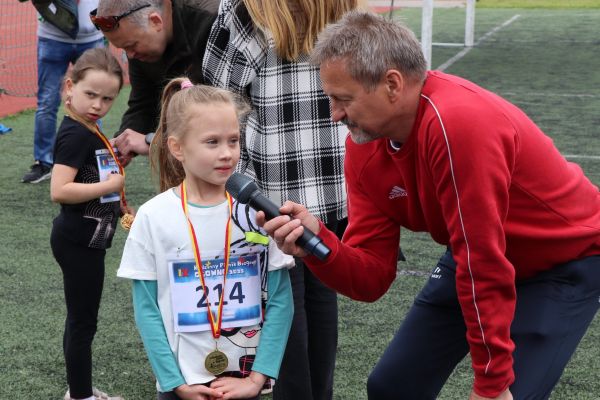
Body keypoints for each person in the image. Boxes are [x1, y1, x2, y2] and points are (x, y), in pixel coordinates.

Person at [258, 10, 600, 400]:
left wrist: (492, 385)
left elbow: (481, 259)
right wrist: (319, 245)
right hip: (477, 252)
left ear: (392, 84)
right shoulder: (363, 147)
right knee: (392, 387)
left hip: (563, 259)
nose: (335, 115)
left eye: (343, 99)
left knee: (512, 395)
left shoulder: (459, 123)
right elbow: (371, 278)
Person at [202, 1, 366, 398]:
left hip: (270, 200)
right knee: (321, 302)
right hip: (334, 186)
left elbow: (220, 95)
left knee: (281, 313)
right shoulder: (341, 6)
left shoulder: (246, 10)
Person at [117, 78, 294, 400]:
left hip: (243, 385)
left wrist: (257, 379)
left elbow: (281, 299)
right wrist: (175, 382)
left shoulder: (257, 213)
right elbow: (146, 308)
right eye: (212, 142)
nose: (227, 153)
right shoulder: (154, 216)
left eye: (233, 140)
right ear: (177, 147)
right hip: (181, 385)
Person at [50, 47, 130, 400]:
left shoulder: (86, 127)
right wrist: (109, 185)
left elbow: (83, 167)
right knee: (83, 324)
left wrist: (108, 151)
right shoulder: (76, 133)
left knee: (80, 321)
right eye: (90, 94)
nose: (98, 104)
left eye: (107, 98)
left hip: (86, 240)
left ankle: (79, 390)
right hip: (78, 241)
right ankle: (80, 395)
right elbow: (60, 190)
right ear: (70, 87)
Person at [92, 0, 219, 166]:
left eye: (131, 46)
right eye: (123, 49)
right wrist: (123, 141)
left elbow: (224, 113)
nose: (130, 55)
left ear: (155, 21)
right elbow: (144, 102)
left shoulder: (211, 22)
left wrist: (151, 142)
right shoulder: (140, 41)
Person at [22, 0, 104, 183]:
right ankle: (44, 162)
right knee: (47, 102)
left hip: (91, 39)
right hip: (52, 38)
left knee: (94, 103)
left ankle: (92, 159)